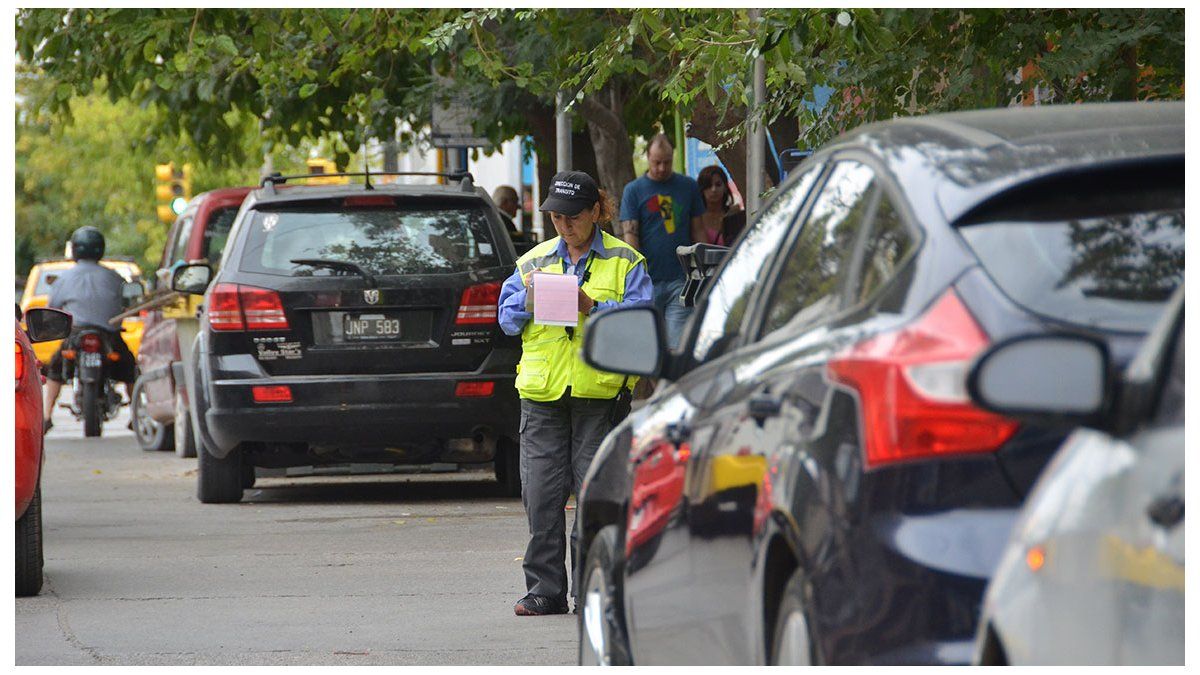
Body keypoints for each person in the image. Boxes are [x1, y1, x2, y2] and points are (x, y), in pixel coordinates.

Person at [497, 170, 652, 616]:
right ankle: (544, 591)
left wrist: (593, 307)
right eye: (555, 217)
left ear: (596, 212)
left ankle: (591, 590)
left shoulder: (626, 261)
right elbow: (505, 319)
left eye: (572, 216)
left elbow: (641, 322)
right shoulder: (535, 261)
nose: (563, 225)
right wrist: (527, 300)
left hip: (599, 398)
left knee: (595, 497)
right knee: (542, 498)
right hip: (543, 396)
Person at [42, 226, 137, 432]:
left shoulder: (64, 279)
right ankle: (138, 414)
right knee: (130, 369)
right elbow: (127, 302)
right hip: (109, 334)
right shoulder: (114, 277)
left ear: (75, 249)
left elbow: (54, 307)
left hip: (76, 333)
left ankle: (47, 415)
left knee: (55, 370)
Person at [619, 133, 705, 348]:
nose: (661, 167)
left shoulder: (688, 187)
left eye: (666, 162)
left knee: (676, 347)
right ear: (648, 157)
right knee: (648, 347)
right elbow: (631, 236)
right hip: (648, 281)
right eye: (656, 162)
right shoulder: (634, 190)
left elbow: (698, 231)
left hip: (681, 279)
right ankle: (657, 383)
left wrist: (705, 271)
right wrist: (637, 277)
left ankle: (669, 383)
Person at [696, 164, 745, 246]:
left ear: (725, 187)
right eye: (708, 186)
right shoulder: (696, 218)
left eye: (718, 184)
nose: (713, 190)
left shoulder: (734, 215)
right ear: (701, 189)